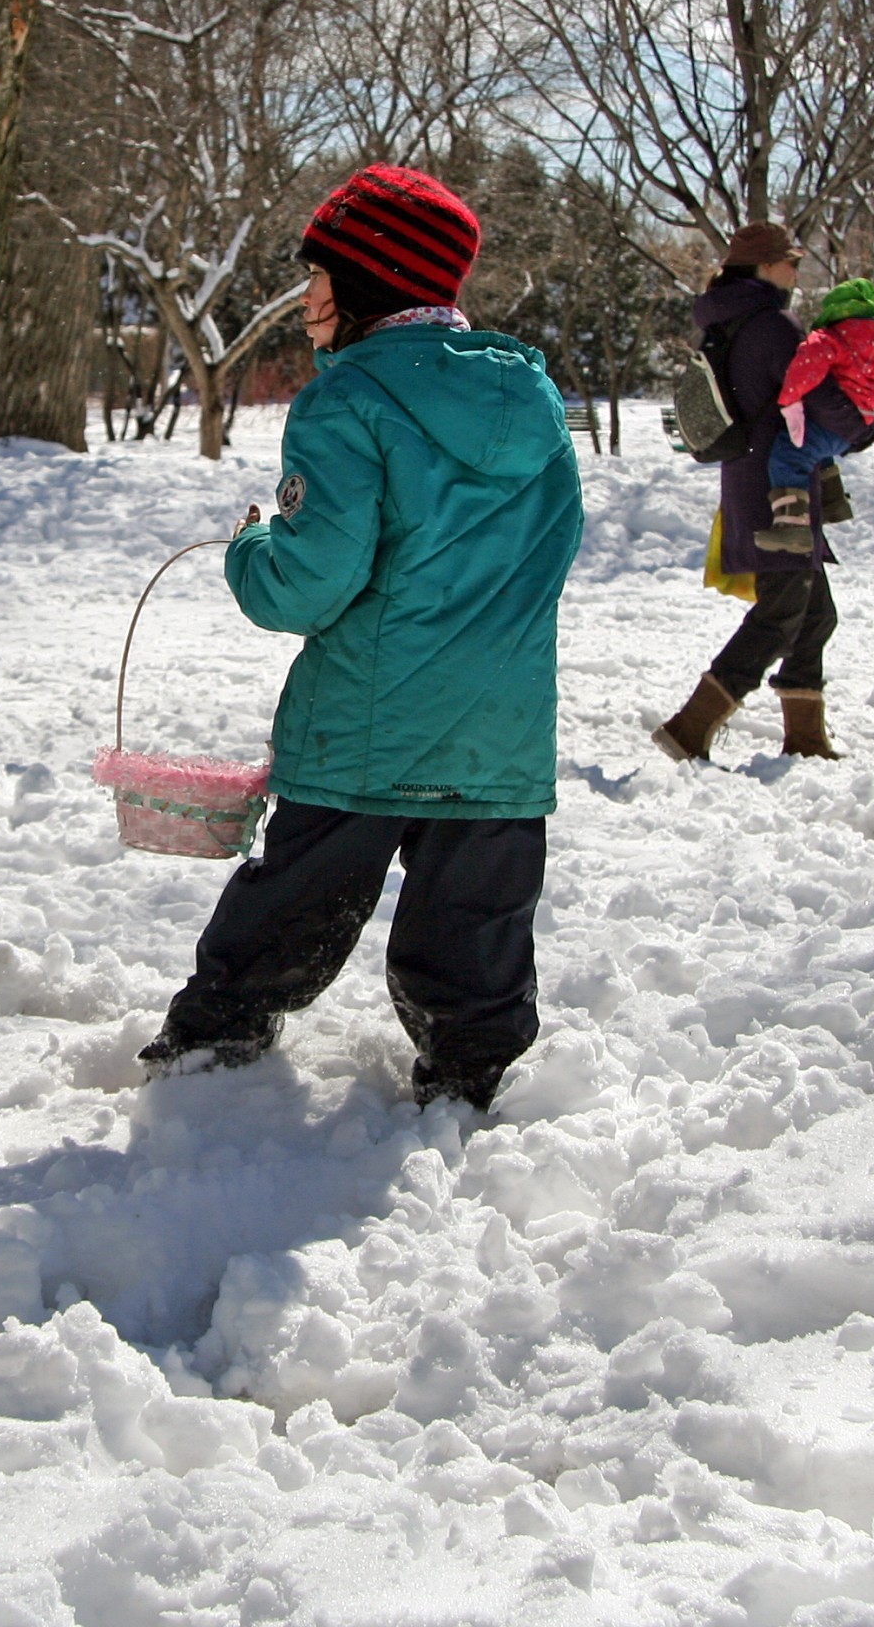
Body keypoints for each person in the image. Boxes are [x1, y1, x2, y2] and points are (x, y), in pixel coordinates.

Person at [137, 165, 585, 1111]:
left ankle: (211, 1047)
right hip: (498, 735)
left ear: (371, 282)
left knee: (294, 903)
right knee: (474, 922)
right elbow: (548, 552)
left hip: (365, 730)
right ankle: (471, 1073)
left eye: (319, 276)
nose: (306, 298)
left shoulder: (347, 402)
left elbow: (309, 582)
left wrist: (251, 549)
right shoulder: (537, 406)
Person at [656, 223, 847, 762]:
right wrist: (857, 422)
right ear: (765, 265)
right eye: (789, 261)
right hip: (778, 486)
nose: (796, 270)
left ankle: (805, 738)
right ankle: (690, 729)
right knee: (783, 612)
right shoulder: (773, 324)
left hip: (750, 476)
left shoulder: (730, 317)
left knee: (814, 614)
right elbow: (813, 393)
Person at [757, 277, 874, 552]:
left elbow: (803, 370)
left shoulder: (829, 339)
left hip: (832, 422)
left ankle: (792, 526)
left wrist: (788, 399)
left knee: (790, 455)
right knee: (820, 449)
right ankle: (833, 501)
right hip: (859, 421)